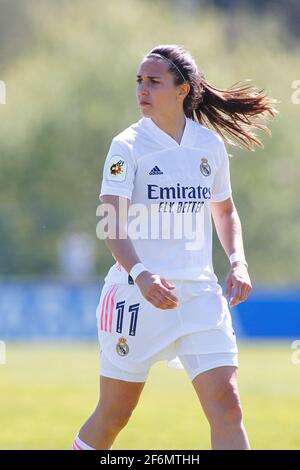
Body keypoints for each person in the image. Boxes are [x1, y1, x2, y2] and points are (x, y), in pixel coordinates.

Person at [72, 44, 277, 451]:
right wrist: (142, 274)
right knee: (114, 416)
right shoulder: (127, 146)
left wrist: (238, 262)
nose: (142, 90)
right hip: (136, 296)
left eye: (154, 82)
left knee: (228, 407)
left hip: (199, 296)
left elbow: (225, 212)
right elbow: (111, 223)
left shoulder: (209, 145)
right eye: (139, 82)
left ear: (183, 89)